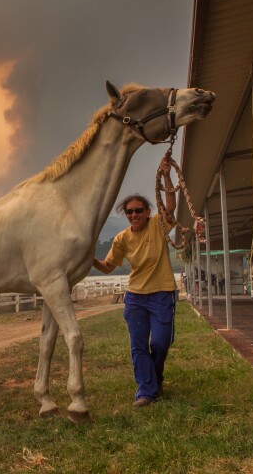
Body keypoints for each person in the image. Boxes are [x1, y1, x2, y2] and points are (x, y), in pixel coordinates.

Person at [93, 155, 177, 408]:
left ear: (147, 212)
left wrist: (165, 176)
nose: (133, 215)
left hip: (162, 294)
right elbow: (107, 267)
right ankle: (146, 391)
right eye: (129, 212)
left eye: (138, 210)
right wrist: (89, 257)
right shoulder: (121, 238)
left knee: (161, 342)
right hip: (135, 297)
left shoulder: (158, 224)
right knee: (138, 345)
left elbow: (170, 207)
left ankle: (155, 377)